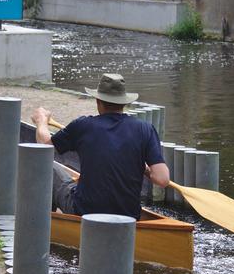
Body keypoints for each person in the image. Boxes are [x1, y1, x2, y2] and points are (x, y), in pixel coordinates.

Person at [31, 73, 170, 220]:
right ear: (124, 103)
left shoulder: (83, 126)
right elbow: (162, 179)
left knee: (49, 167)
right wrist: (145, 169)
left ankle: (50, 222)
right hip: (128, 217)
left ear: (98, 101)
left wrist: (41, 121)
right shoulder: (145, 129)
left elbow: (44, 147)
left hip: (85, 212)